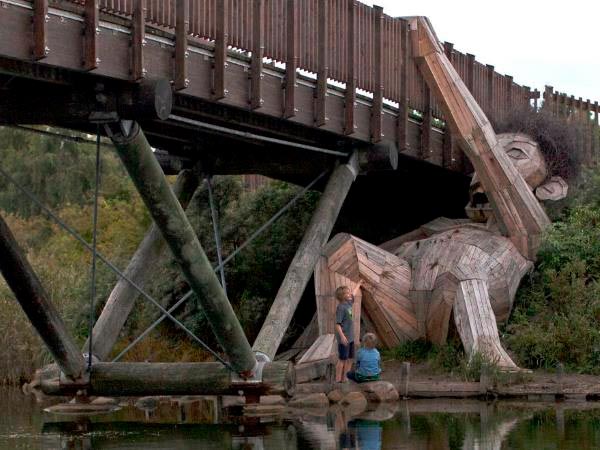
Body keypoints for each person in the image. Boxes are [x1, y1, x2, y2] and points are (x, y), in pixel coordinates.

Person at [335, 283, 361, 383]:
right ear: (342, 296)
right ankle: (337, 380)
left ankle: (345, 378)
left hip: (351, 338)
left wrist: (359, 284)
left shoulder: (348, 304)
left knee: (350, 358)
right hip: (344, 338)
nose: (350, 294)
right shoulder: (341, 308)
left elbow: (353, 294)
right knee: (342, 359)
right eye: (347, 293)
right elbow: (337, 324)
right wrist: (342, 337)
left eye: (349, 292)